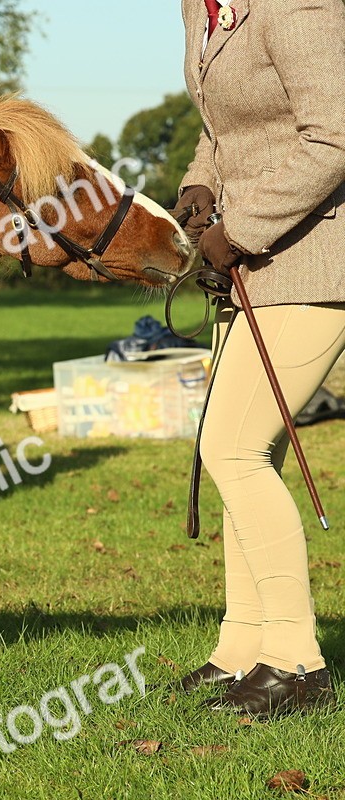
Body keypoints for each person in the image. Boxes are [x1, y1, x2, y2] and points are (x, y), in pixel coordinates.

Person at [170, 0, 345, 717]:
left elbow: (333, 135)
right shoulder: (200, 9)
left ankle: (299, 664)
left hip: (314, 263)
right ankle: (243, 647)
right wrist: (201, 180)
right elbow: (222, 125)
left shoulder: (300, 5)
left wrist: (239, 227)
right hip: (245, 269)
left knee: (233, 447)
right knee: (245, 455)